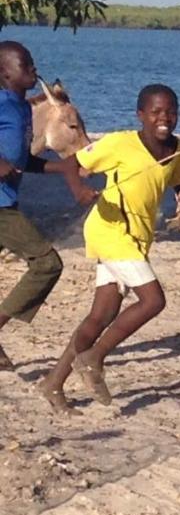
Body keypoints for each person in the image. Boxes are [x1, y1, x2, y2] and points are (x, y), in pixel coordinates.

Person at [36, 84, 180, 412]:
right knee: (153, 300)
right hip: (110, 230)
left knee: (101, 315)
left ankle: (54, 382)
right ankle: (93, 358)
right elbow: (73, 165)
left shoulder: (178, 148)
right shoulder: (120, 143)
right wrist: (80, 189)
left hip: (137, 236)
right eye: (155, 112)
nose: (163, 118)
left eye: (170, 112)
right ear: (140, 115)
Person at [0, 42, 96, 374]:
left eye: (32, 64)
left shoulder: (22, 109)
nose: (33, 70)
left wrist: (66, 167)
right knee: (47, 264)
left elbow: (23, 159)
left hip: (8, 199)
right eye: (25, 65)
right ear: (4, 72)